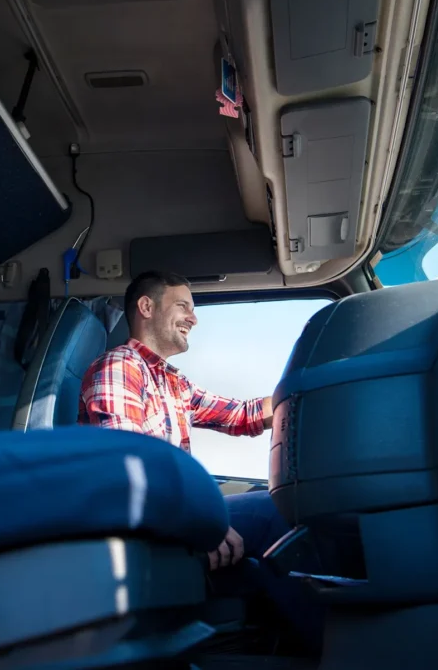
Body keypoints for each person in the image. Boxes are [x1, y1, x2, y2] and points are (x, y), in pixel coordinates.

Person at [78, 270, 321, 648]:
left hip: (168, 517)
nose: (194, 318)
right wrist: (197, 523)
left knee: (273, 528)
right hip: (143, 529)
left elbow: (239, 414)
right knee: (276, 515)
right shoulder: (119, 367)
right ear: (146, 307)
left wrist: (306, 394)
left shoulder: (173, 382)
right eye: (183, 306)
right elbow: (128, 465)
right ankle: (335, 648)